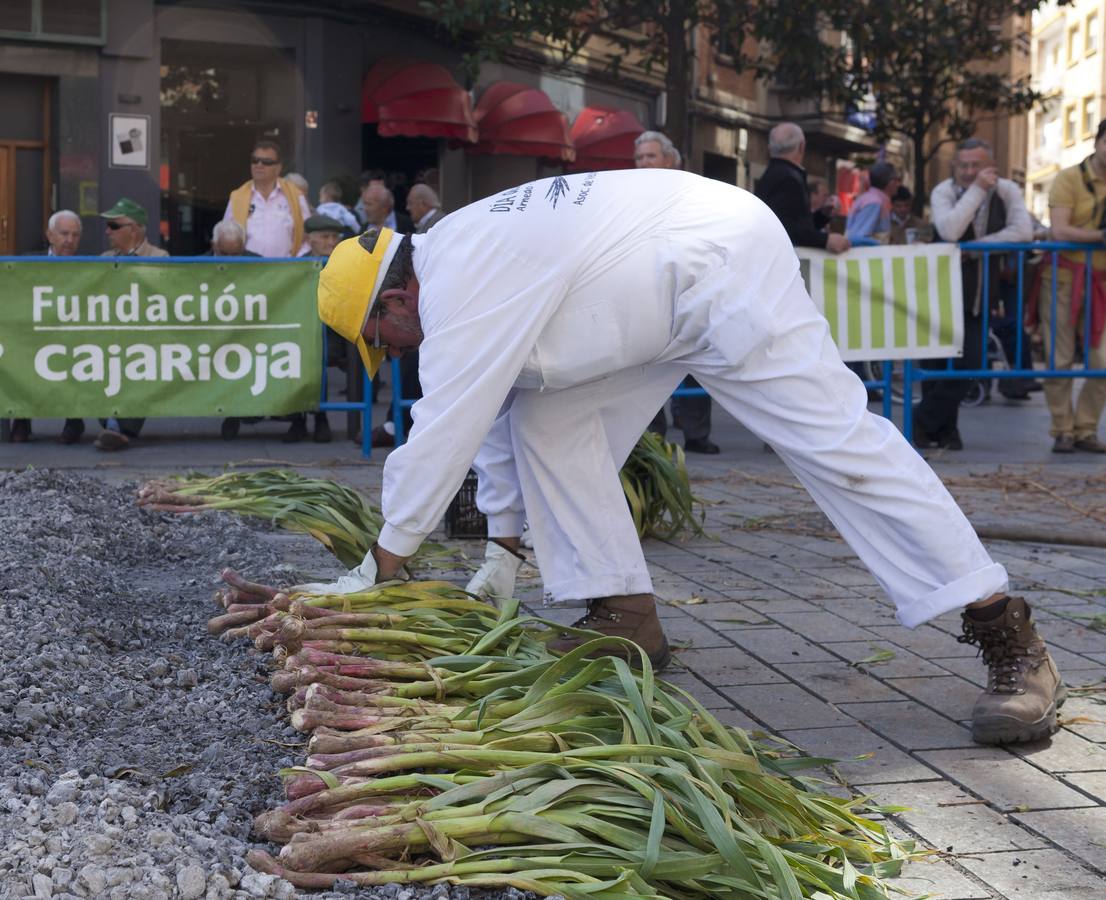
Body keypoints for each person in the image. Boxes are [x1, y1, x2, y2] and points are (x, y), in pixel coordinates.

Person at [309, 169, 1064, 747]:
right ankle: (625, 615)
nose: (394, 358)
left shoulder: (460, 279)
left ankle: (1008, 633)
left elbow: (445, 424)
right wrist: (504, 546)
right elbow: (499, 416)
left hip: (718, 258)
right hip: (650, 288)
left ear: (393, 306)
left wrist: (379, 566)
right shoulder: (463, 259)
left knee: (838, 445)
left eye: (384, 346)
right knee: (549, 416)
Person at [916, 139, 1034, 450]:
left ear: (989, 166)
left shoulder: (1006, 190)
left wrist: (978, 248)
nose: (969, 172)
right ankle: (943, 431)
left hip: (980, 294)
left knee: (970, 365)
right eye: (964, 166)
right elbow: (950, 230)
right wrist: (978, 189)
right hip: (939, 291)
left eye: (976, 166)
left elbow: (1024, 231)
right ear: (955, 166)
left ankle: (921, 421)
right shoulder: (943, 191)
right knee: (937, 366)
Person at [635, 130, 718, 454]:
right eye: (639, 158)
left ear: (669, 160)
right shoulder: (630, 195)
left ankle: (696, 432)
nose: (643, 164)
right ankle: (652, 434)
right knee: (645, 362)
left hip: (687, 286)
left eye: (650, 157)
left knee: (694, 358)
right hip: (646, 289)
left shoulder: (689, 192)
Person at [1038, 119, 1106, 453]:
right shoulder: (1069, 179)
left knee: (1102, 361)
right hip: (1064, 280)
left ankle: (1086, 429)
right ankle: (1062, 429)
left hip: (1102, 284)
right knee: (1058, 358)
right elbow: (1060, 231)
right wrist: (1101, 237)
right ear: (1097, 143)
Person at [93, 198, 169, 451]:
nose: (108, 231)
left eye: (114, 225)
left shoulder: (160, 257)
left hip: (144, 334)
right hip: (111, 332)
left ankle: (117, 428)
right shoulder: (104, 258)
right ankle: (113, 426)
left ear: (134, 229)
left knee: (140, 363)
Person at [8, 211, 86, 445]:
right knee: (18, 352)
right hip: (33, 331)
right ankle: (22, 419)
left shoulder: (89, 268)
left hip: (72, 333)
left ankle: (74, 420)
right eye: (64, 234)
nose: (69, 240)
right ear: (50, 235)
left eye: (75, 235)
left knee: (82, 351)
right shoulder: (28, 262)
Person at [755, 122, 850, 253]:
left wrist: (823, 215)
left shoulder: (775, 174)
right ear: (801, 146)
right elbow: (787, 228)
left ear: (770, 148)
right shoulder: (789, 178)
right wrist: (826, 240)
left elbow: (800, 225)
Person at [221, 140, 310, 258]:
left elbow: (308, 235)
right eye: (255, 161)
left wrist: (296, 261)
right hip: (246, 269)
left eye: (266, 162)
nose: (259, 165)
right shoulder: (237, 197)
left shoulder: (295, 196)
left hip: (287, 270)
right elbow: (225, 235)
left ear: (278, 168)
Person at [845, 162, 901, 245]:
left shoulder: (870, 199)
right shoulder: (874, 203)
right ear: (891, 182)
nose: (898, 184)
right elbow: (858, 238)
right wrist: (880, 245)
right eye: (897, 180)